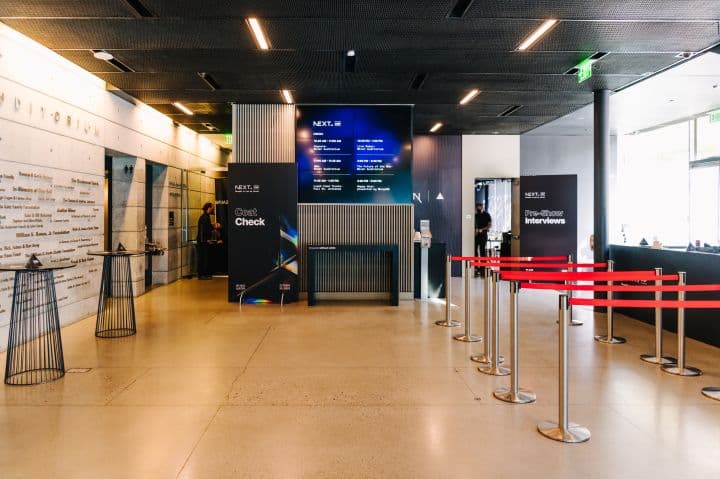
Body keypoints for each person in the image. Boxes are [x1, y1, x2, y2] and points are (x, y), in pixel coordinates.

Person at [196, 202, 214, 280]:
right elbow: (202, 230)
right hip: (203, 241)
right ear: (209, 208)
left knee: (205, 257)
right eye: (212, 207)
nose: (213, 209)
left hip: (204, 240)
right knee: (203, 257)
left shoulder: (206, 217)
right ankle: (202, 274)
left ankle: (204, 274)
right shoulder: (204, 217)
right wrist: (206, 240)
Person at [475, 203, 492, 276]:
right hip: (476, 235)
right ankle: (476, 266)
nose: (478, 208)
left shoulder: (487, 215)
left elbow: (489, 225)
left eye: (479, 207)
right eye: (477, 207)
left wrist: (482, 229)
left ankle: (483, 267)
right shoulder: (475, 215)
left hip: (483, 235)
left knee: (482, 250)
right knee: (474, 250)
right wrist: (476, 230)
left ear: (482, 207)